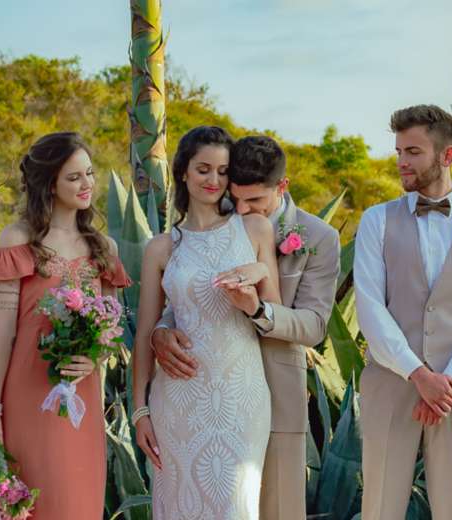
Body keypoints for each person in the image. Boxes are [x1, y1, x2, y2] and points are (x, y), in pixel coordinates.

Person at [151, 135, 341, 519]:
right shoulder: (216, 218)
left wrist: (259, 310)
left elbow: (314, 325)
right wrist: (161, 328)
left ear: (281, 187)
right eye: (235, 198)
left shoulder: (320, 237)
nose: (241, 208)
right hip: (210, 393)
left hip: (276, 392)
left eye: (253, 201)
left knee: (278, 511)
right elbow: (192, 288)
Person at [354, 105, 452, 520]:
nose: (401, 161)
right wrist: (418, 374)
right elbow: (369, 308)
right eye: (398, 151)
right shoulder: (377, 222)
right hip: (391, 381)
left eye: (413, 151)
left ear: (447, 156)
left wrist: (450, 383)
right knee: (380, 508)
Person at [0, 132, 130, 519]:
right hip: (27, 399)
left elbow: (111, 331)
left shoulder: (103, 248)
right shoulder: (19, 240)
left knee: (77, 501)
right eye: (74, 177)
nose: (87, 184)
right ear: (49, 183)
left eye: (90, 174)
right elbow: (4, 336)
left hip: (81, 401)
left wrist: (95, 360)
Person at [132, 126, 281, 519]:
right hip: (176, 403)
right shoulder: (162, 248)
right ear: (183, 172)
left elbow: (275, 315)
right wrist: (139, 410)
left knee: (236, 507)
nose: (213, 180)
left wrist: (257, 271)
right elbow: (147, 331)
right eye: (203, 169)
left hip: (240, 399)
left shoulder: (254, 229)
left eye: (222, 171)